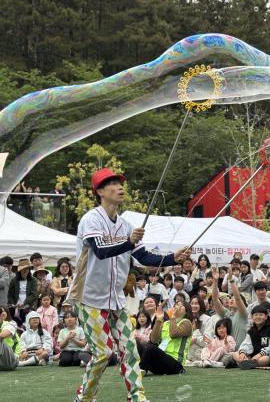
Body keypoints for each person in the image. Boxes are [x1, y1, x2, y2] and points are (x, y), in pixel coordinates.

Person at [67, 167, 188, 402]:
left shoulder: (126, 225)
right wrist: (128, 242)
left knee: (130, 351)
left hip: (116, 299)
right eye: (112, 183)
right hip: (88, 298)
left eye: (120, 183)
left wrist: (173, 258)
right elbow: (101, 251)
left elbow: (144, 257)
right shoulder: (91, 219)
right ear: (100, 191)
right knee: (103, 353)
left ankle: (137, 397)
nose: (120, 187)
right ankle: (84, 398)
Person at [139, 302, 192, 375]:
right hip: (161, 360)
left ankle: (141, 369)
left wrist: (173, 316)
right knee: (138, 346)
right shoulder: (166, 323)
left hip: (176, 364)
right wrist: (159, 319)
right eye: (176, 304)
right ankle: (139, 368)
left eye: (181, 305)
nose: (178, 306)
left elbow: (173, 334)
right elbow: (154, 340)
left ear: (186, 311)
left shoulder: (186, 323)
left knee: (151, 348)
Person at [230, 305, 270, 369]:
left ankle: (242, 363)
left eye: (261, 315)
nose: (258, 317)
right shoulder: (251, 331)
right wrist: (242, 353)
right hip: (252, 356)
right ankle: (245, 362)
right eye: (256, 315)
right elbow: (247, 344)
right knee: (235, 354)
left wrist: (260, 354)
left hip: (264, 356)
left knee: (264, 359)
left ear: (266, 317)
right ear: (252, 317)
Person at [8, 259, 38, 325]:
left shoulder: (33, 280)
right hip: (16, 306)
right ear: (20, 270)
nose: (25, 271)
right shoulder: (14, 280)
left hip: (28, 305)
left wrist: (24, 303)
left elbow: (34, 294)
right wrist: (13, 304)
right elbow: (10, 294)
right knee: (16, 323)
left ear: (29, 270)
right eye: (23, 269)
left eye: (27, 269)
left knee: (27, 323)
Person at [0, 306, 19, 370]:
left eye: (3, 311)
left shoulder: (11, 323)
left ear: (7, 312)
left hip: (11, 358)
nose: (1, 313)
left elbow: (3, 335)